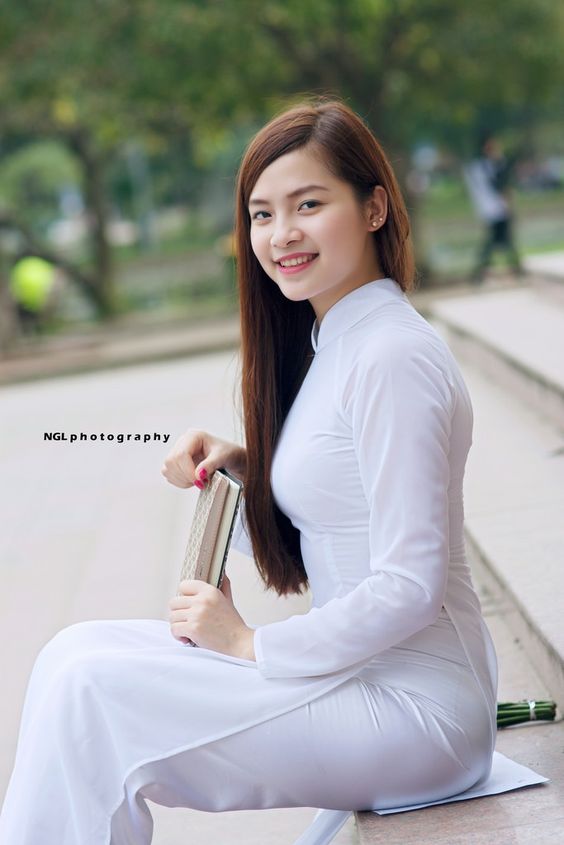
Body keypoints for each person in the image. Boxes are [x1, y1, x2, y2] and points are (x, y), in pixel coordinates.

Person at [0, 97, 498, 844]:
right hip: (358, 678)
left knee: (91, 691)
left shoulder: (391, 356)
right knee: (70, 655)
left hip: (419, 711)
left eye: (308, 204)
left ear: (374, 208)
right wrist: (245, 470)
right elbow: (344, 500)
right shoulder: (337, 342)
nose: (281, 233)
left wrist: (249, 645)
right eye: (262, 214)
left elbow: (410, 584)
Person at [463, 133, 525, 284]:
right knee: (495, 242)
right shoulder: (482, 167)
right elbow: (497, 186)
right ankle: (482, 273)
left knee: (500, 241)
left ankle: (513, 269)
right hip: (494, 209)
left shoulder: (483, 166)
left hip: (496, 208)